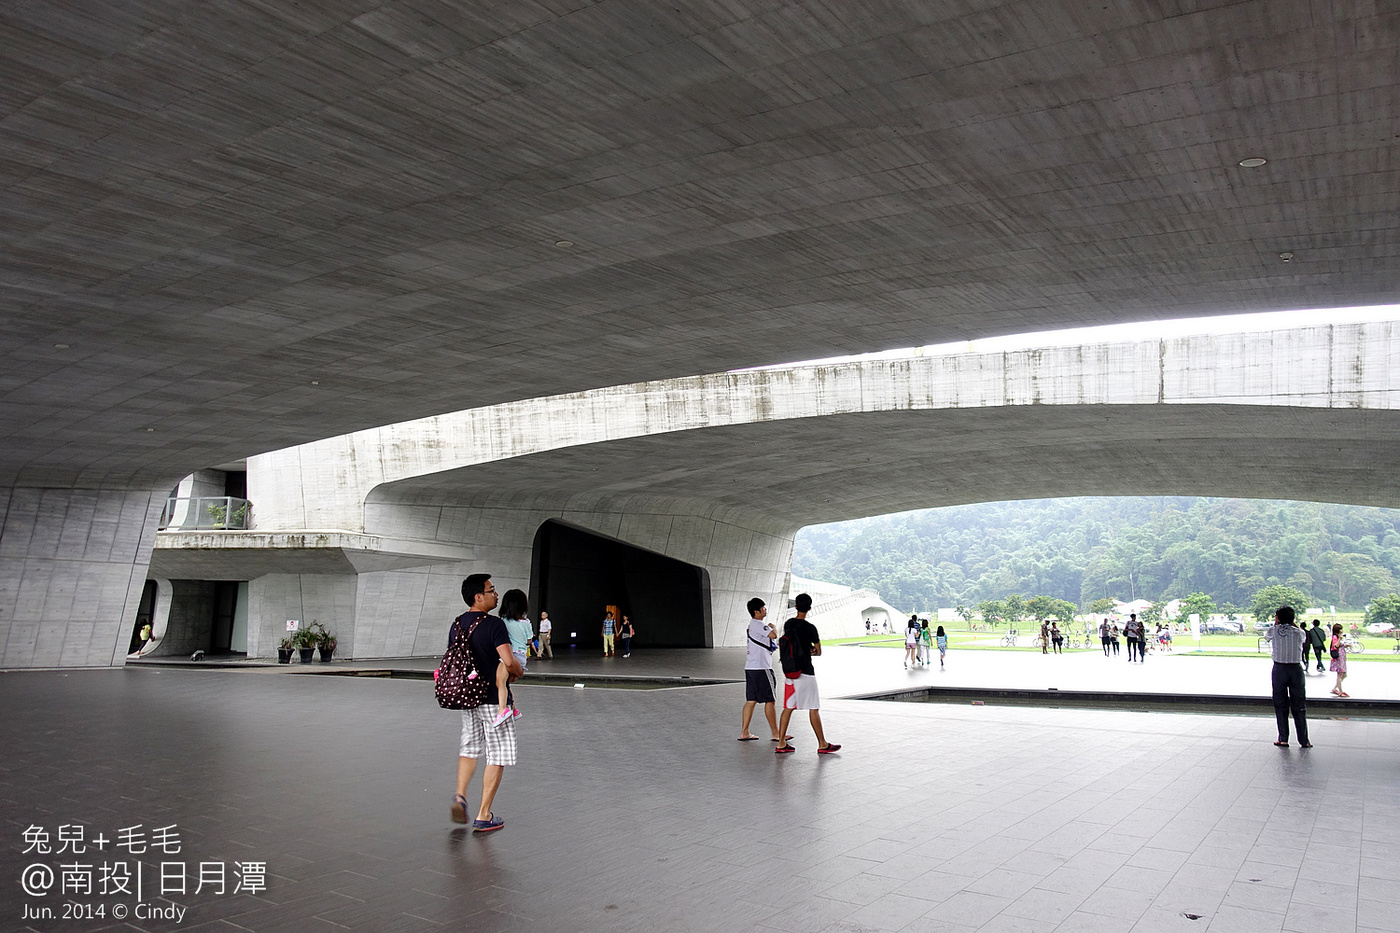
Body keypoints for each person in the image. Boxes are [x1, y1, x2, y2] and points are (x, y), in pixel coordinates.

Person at [449, 573, 522, 832]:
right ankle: (483, 814)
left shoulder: (457, 624)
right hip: (493, 700)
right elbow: (509, 660)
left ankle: (460, 794)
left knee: (469, 747)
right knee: (497, 753)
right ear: (478, 596)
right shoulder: (494, 625)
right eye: (492, 590)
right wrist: (518, 671)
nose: (496, 594)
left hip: (468, 698)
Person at [776, 594, 840, 755]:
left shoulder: (788, 624)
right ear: (809, 608)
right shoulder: (810, 628)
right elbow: (818, 651)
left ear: (795, 606)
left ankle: (782, 743)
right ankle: (822, 744)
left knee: (788, 708)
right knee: (813, 708)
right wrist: (810, 650)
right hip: (805, 672)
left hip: (790, 672)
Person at [739, 597, 783, 742]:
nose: (765, 610)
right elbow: (773, 635)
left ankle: (745, 732)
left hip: (751, 667)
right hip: (762, 667)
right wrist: (774, 627)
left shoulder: (752, 625)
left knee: (751, 700)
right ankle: (775, 733)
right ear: (756, 611)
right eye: (763, 608)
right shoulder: (758, 624)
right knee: (770, 700)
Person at [1270, 606, 1310, 748]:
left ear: (1278, 618)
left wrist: (1277, 622)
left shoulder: (1273, 631)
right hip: (1295, 670)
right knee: (1299, 705)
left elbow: (1267, 636)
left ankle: (1283, 738)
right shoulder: (1299, 632)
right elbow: (1303, 639)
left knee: (1280, 704)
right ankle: (1304, 740)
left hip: (1279, 668)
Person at [490, 589, 532, 726]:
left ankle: (503, 710)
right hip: (521, 655)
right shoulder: (527, 623)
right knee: (506, 683)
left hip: (509, 655)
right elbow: (529, 640)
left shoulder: (503, 622)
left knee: (500, 683)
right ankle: (513, 709)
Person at [1329, 622, 1349, 697]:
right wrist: (1339, 639)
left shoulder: (1338, 637)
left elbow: (1339, 646)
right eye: (1340, 629)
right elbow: (1336, 646)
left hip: (1342, 657)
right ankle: (1340, 691)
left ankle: (1335, 688)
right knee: (1340, 674)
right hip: (1339, 657)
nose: (1342, 630)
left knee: (1344, 674)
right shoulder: (1335, 637)